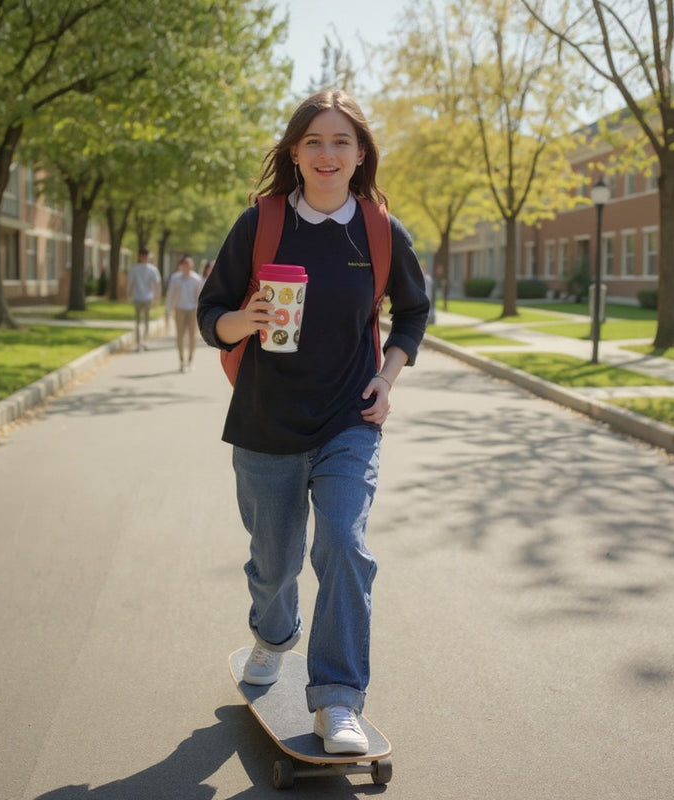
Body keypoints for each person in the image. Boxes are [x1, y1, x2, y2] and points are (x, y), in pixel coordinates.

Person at [197, 90, 429, 755]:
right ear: (295, 153)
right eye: (315, 142)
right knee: (275, 563)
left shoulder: (381, 230)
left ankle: (337, 699)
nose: (328, 154)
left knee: (344, 543)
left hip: (349, 420)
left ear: (361, 155)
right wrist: (246, 320)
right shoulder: (261, 222)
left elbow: (413, 312)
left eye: (342, 142)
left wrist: (385, 380)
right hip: (267, 418)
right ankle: (272, 637)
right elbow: (211, 311)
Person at [165, 254, 204, 371]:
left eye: (188, 264)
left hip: (193, 310)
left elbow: (200, 297)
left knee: (192, 336)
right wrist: (168, 310)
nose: (186, 266)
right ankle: (182, 360)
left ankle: (190, 360)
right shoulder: (175, 278)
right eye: (184, 264)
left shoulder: (197, 279)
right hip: (180, 309)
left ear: (191, 266)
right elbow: (170, 295)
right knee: (180, 336)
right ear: (180, 266)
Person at [127, 247, 162, 351]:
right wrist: (157, 297)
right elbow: (157, 284)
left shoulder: (147, 269)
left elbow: (156, 284)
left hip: (146, 298)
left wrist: (156, 297)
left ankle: (142, 342)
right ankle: (141, 342)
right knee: (141, 322)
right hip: (140, 298)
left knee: (143, 322)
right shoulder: (148, 269)